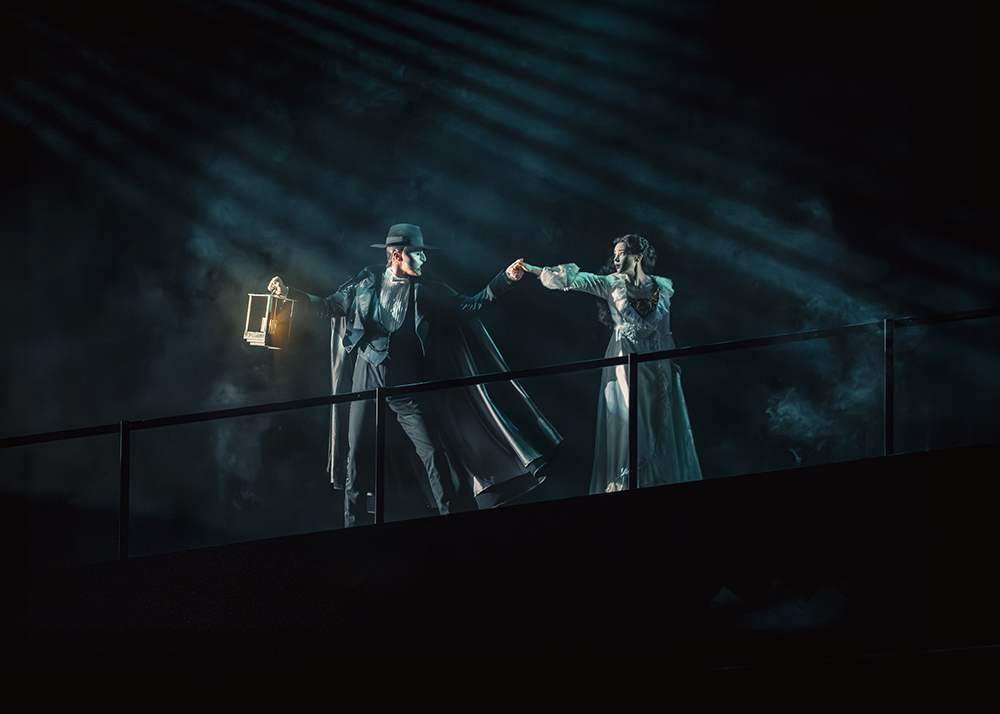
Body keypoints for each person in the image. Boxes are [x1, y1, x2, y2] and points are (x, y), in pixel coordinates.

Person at [269, 223, 560, 527]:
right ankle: (351, 526)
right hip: (366, 376)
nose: (424, 259)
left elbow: (469, 304)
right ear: (398, 255)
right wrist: (289, 293)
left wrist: (505, 279)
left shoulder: (427, 290)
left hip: (406, 384)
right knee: (356, 455)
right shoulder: (365, 282)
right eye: (418, 253)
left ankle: (450, 518)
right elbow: (328, 306)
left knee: (433, 453)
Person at [517, 234, 701, 493]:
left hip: (656, 365)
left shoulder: (662, 287)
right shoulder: (610, 284)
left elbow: (664, 331)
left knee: (658, 423)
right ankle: (627, 484)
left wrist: (669, 361)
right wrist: (533, 269)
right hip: (625, 361)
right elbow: (575, 281)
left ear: (637, 257)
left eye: (621, 253)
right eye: (614, 254)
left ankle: (655, 481)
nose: (615, 258)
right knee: (630, 423)